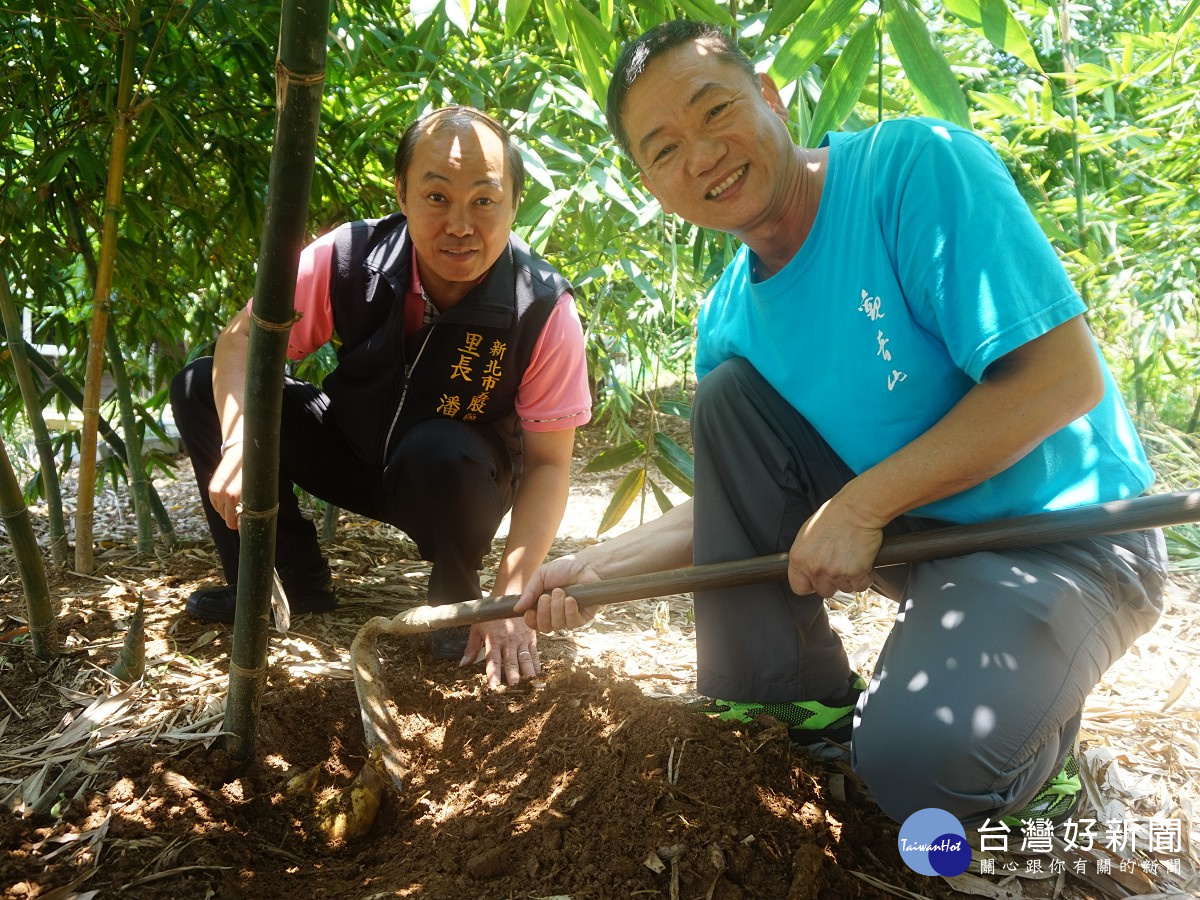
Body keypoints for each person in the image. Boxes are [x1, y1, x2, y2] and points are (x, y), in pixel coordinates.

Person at [514, 20, 1166, 830]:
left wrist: (861, 508)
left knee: (920, 775)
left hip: (1066, 538)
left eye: (715, 111)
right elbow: (738, 509)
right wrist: (602, 566)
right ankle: (795, 716)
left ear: (772, 98)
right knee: (726, 398)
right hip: (924, 544)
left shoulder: (913, 168)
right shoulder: (729, 317)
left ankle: (1037, 757)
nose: (703, 155)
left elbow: (1061, 381)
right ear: (652, 183)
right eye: (665, 148)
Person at [172, 106, 591, 687]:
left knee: (442, 450)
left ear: (515, 204)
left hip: (452, 476)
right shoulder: (351, 255)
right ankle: (284, 580)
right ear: (401, 193)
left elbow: (549, 464)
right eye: (437, 197)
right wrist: (243, 440)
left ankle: (456, 601)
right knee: (198, 387)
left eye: (484, 200)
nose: (461, 224)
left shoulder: (541, 307)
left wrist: (509, 598)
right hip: (350, 444)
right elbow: (242, 342)